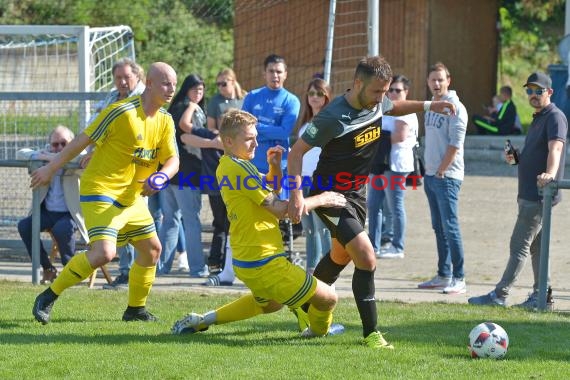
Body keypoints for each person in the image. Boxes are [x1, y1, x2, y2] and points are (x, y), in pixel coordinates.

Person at [287, 56, 456, 349]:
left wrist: (431, 105)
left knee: (340, 257)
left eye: (385, 91)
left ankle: (302, 304)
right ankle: (371, 333)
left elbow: (395, 107)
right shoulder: (332, 117)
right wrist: (296, 195)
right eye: (377, 91)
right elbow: (296, 153)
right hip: (330, 197)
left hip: (357, 196)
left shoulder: (376, 103)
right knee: (366, 256)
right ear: (357, 83)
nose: (382, 98)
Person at [171, 109, 346, 337]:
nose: (255, 143)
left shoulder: (228, 164)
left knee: (270, 304)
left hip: (246, 259)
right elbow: (282, 210)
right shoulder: (240, 168)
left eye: (256, 137)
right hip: (265, 261)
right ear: (229, 141)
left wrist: (274, 166)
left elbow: (268, 188)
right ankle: (318, 332)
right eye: (248, 139)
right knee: (328, 298)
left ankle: (201, 320)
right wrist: (323, 199)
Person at [31, 62, 179, 324]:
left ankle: (135, 310)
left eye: (174, 84)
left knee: (152, 250)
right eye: (166, 83)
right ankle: (48, 296)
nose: (171, 90)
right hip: (101, 190)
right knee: (104, 253)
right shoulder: (120, 112)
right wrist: (51, 168)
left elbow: (173, 161)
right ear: (151, 84)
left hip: (133, 198)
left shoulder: (166, 120)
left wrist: (160, 176)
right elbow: (81, 140)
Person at [468, 72, 567, 309]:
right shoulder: (538, 117)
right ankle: (542, 296)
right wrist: (516, 158)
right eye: (530, 91)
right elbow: (536, 152)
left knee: (519, 245)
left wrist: (550, 175)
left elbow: (556, 149)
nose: (533, 95)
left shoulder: (555, 116)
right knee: (537, 249)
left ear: (549, 92)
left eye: (538, 91)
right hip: (531, 195)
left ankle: (500, 294)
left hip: (539, 195)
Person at [83, 58, 148, 290]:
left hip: (133, 173)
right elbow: (95, 126)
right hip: (111, 176)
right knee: (116, 225)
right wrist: (93, 150)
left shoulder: (143, 100)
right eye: (118, 77)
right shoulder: (112, 97)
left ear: (138, 77)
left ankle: (132, 276)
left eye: (126, 77)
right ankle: (125, 273)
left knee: (135, 227)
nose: (121, 82)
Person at [417, 62, 468, 295]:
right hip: (430, 175)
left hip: (446, 177)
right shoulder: (432, 107)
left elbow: (454, 144)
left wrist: (440, 171)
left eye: (440, 79)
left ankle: (459, 277)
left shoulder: (455, 107)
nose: (436, 84)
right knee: (439, 227)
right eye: (432, 80)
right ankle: (443, 274)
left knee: (450, 227)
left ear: (449, 81)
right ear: (427, 82)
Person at [16, 125, 88, 284]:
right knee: (24, 226)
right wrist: (43, 155)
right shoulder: (45, 154)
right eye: (55, 144)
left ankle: (71, 271)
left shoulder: (78, 155)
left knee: (63, 229)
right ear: (49, 145)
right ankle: (48, 268)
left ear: (73, 142)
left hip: (70, 213)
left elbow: (81, 158)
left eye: (64, 143)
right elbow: (20, 153)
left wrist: (53, 159)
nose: (60, 148)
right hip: (47, 212)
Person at [159, 74, 208, 278]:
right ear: (186, 89)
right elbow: (186, 132)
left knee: (170, 220)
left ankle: (161, 267)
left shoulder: (175, 108)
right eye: (195, 88)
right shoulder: (187, 109)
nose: (199, 92)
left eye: (202, 89)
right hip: (185, 175)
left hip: (171, 174)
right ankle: (197, 268)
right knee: (191, 221)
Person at [375, 74, 419, 259]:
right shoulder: (385, 109)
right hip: (381, 163)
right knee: (377, 204)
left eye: (397, 90)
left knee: (395, 205)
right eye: (390, 90)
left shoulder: (406, 111)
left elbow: (399, 136)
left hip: (397, 165)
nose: (393, 93)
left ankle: (397, 246)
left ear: (406, 92)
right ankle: (375, 243)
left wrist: (373, 139)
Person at [292, 78, 332, 274]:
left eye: (319, 93)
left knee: (322, 228)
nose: (314, 97)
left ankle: (328, 270)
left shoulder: (329, 121)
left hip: (320, 180)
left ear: (326, 96)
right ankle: (311, 269)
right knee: (309, 230)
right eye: (311, 94)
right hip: (304, 179)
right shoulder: (305, 124)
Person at [242, 54, 300, 175]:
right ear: (265, 73)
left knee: (277, 195)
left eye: (279, 71)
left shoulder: (291, 101)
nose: (275, 75)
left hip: (278, 166)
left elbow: (284, 132)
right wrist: (273, 132)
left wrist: (256, 127)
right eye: (271, 71)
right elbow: (243, 127)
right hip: (252, 164)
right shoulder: (252, 96)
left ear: (285, 74)